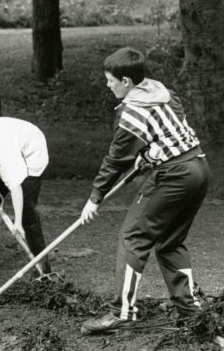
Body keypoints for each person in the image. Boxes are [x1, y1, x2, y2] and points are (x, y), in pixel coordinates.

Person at [79, 47, 209, 335]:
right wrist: (149, 153)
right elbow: (170, 132)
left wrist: (94, 198)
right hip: (198, 167)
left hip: (173, 176)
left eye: (110, 80)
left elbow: (116, 159)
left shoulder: (132, 112)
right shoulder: (163, 92)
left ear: (126, 81)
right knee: (171, 242)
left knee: (133, 237)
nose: (107, 85)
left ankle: (122, 313)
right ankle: (190, 311)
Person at [0, 117, 53, 276]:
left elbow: (15, 186)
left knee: (27, 210)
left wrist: (18, 222)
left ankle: (43, 268)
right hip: (1, 152)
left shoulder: (3, 151)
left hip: (31, 151)